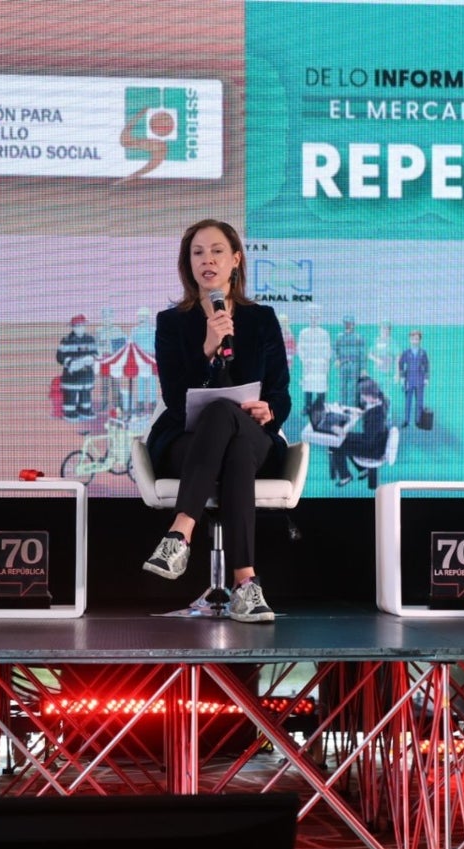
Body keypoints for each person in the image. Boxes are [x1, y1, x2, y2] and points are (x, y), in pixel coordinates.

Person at [142, 219, 291, 623]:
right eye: (198, 252)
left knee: (233, 424)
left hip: (253, 434)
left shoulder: (261, 319)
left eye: (217, 251)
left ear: (236, 260)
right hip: (188, 440)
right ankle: (247, 584)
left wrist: (270, 410)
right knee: (230, 437)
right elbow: (175, 398)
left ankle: (180, 533)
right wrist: (207, 349)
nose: (207, 259)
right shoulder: (172, 323)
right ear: (187, 264)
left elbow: (280, 390)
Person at [328, 376, 389, 487]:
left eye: (363, 395)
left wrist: (344, 433)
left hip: (373, 449)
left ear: (370, 396)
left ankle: (345, 477)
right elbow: (370, 414)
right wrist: (361, 412)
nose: (362, 397)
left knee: (336, 444)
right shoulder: (380, 401)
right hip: (376, 442)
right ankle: (362, 470)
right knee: (346, 441)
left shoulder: (376, 415)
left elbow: (367, 439)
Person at [56, 314, 98, 421]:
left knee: (86, 393)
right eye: (77, 326)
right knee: (71, 394)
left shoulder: (90, 339)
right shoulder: (66, 340)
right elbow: (60, 357)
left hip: (86, 374)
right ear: (73, 327)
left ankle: (85, 409)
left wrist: (91, 359)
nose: (80, 328)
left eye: (82, 326)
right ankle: (69, 411)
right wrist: (70, 363)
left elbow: (95, 353)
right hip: (72, 375)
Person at [296, 304, 331, 418]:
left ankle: (320, 406)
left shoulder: (324, 333)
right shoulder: (303, 332)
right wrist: (304, 360)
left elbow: (327, 349)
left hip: (320, 364)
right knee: (308, 386)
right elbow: (300, 347)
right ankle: (307, 406)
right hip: (309, 364)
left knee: (321, 385)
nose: (314, 320)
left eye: (316, 318)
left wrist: (325, 362)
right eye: (311, 318)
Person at [398, 329, 430, 428]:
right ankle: (406, 421)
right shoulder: (406, 352)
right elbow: (401, 364)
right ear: (410, 340)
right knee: (408, 402)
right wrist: (402, 378)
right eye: (413, 339)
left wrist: (426, 378)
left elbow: (427, 365)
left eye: (417, 339)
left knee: (419, 402)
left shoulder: (422, 353)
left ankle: (418, 420)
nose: (415, 341)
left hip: (420, 380)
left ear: (420, 340)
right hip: (409, 380)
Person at [333, 315, 366, 406]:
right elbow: (335, 349)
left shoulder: (358, 337)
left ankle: (351, 408)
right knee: (342, 386)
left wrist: (363, 368)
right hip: (343, 364)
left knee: (353, 388)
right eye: (346, 324)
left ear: (353, 325)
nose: (348, 325)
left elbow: (362, 353)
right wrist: (336, 359)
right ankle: (342, 407)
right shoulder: (339, 337)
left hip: (354, 365)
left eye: (350, 324)